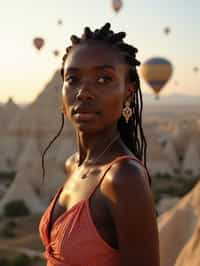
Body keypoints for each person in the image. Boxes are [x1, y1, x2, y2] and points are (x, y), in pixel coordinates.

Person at [39, 23, 160, 266]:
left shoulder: (124, 178)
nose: (83, 92)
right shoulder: (73, 165)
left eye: (104, 79)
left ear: (128, 92)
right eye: (72, 79)